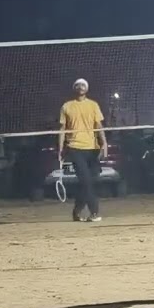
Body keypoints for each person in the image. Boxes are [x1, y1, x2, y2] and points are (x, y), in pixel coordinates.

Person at [58, 78, 107, 222]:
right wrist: (60, 148)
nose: (81, 87)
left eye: (84, 85)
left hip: (92, 149)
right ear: (74, 88)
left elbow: (99, 126)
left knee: (90, 182)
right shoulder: (66, 106)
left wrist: (104, 143)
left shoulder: (93, 105)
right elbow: (62, 129)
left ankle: (77, 211)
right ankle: (94, 213)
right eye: (78, 85)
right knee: (86, 181)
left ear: (87, 89)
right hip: (75, 148)